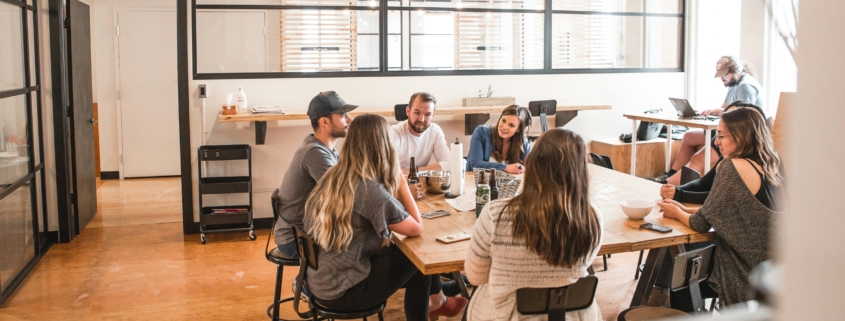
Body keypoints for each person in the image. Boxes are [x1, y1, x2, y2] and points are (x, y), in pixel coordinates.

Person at [303, 114, 467, 321]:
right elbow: (417, 228)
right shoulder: (369, 191)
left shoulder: (334, 176)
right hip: (345, 291)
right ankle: (435, 303)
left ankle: (436, 302)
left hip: (321, 281)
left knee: (410, 257)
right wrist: (400, 181)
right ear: (384, 147)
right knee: (418, 257)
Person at [465, 128, 603, 321]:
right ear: (580, 170)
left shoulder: (496, 214)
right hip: (570, 315)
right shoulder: (592, 217)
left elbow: (475, 276)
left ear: (532, 162)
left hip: (507, 315)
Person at [657, 107, 782, 307]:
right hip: (772, 270)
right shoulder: (770, 164)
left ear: (740, 136)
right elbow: (727, 212)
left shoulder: (732, 167)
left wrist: (676, 212)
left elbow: (700, 224)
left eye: (721, 135)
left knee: (679, 280)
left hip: (743, 273)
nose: (716, 142)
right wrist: (683, 208)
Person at [651, 56, 765, 184]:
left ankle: (669, 185)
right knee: (689, 136)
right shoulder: (734, 84)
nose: (722, 79)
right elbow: (725, 108)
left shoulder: (746, 86)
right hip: (729, 130)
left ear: (736, 71)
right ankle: (671, 174)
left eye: (725, 75)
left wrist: (720, 111)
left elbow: (744, 117)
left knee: (698, 158)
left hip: (740, 135)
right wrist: (710, 112)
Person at [273, 91, 356, 259]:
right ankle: (308, 284)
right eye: (342, 115)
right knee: (363, 249)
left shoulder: (326, 150)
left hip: (308, 233)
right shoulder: (315, 153)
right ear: (324, 121)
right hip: (297, 241)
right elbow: (346, 193)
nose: (349, 120)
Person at [658, 102, 769, 204]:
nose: (716, 142)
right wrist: (675, 190)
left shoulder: (742, 165)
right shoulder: (732, 155)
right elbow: (705, 183)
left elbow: (716, 202)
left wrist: (679, 194)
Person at [390, 92, 452, 199]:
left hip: (422, 190)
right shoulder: (394, 133)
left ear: (433, 115)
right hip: (397, 190)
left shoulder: (435, 131)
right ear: (408, 111)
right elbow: (387, 171)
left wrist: (414, 172)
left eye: (427, 114)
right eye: (417, 112)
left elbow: (450, 164)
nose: (421, 119)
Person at [466, 105, 532, 174]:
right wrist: (505, 167)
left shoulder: (522, 141)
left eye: (511, 125)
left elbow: (530, 167)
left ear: (519, 129)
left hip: (509, 183)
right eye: (503, 120)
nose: (504, 127)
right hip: (476, 182)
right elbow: (475, 164)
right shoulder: (481, 132)